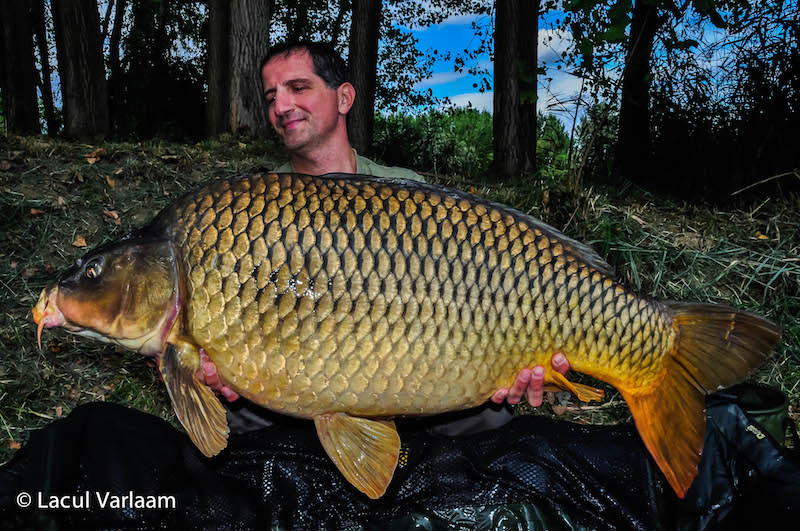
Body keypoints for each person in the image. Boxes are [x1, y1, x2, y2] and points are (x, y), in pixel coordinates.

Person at [196, 41, 572, 435]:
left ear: (344, 98)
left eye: (298, 88)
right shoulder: (248, 209)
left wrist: (511, 357)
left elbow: (473, 292)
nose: (281, 106)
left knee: (490, 414)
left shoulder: (410, 192)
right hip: (296, 389)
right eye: (272, 95)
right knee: (234, 412)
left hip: (411, 380)